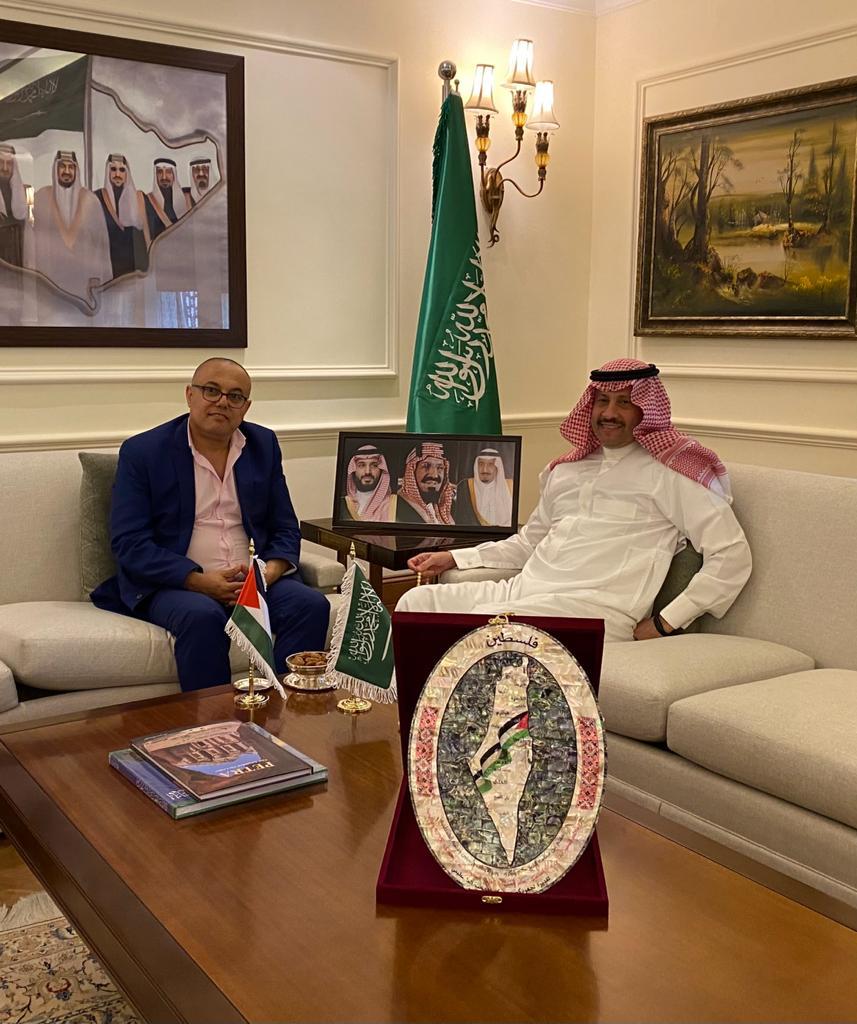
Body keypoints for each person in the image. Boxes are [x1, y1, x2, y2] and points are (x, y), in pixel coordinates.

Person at [400, 358, 751, 642]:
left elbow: (731, 554)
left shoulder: (671, 473)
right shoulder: (566, 471)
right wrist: (454, 557)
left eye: (624, 402)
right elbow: (527, 544)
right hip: (525, 592)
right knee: (417, 603)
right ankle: (419, 710)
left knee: (478, 627)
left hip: (594, 611)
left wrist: (666, 621)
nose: (609, 412)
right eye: (602, 401)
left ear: (645, 410)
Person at [91, 358, 330, 691]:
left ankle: (284, 712)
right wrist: (199, 581)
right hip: (176, 584)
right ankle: (214, 721)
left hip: (254, 581)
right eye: (211, 391)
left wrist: (266, 574)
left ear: (246, 407)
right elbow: (130, 543)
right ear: (190, 395)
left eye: (235, 396)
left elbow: (285, 527)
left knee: (311, 605)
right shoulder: (144, 452)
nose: (222, 402)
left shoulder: (263, 445)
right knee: (202, 616)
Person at [32, 150, 112, 300]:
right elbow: (34, 244)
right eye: (62, 166)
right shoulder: (42, 197)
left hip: (84, 282)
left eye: (71, 167)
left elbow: (100, 244)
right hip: (50, 282)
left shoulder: (91, 200)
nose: (67, 171)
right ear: (55, 169)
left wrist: (98, 278)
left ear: (76, 170)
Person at [94, 153, 150, 279]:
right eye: (113, 169)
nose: (117, 174)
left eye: (122, 170)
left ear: (127, 174)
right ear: (108, 172)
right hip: (106, 269)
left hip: (134, 270)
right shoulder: (97, 198)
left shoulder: (139, 200)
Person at [396, 441, 456, 525]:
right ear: (412, 471)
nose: (434, 475)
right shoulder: (396, 507)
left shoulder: (451, 508)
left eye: (440, 468)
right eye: (425, 466)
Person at [453, 447, 514, 527]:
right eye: (481, 464)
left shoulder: (510, 487)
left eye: (490, 464)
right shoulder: (465, 486)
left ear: (497, 467)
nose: (485, 470)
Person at [340, 444, 397, 522]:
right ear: (353, 469)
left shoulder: (394, 503)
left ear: (382, 469)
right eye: (361, 465)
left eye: (374, 465)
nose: (367, 472)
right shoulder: (344, 504)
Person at [144, 158, 192, 241]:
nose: (164, 177)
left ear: (174, 175)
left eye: (168, 172)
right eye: (160, 172)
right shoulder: (148, 200)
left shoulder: (186, 199)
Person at [0, 144, 27, 268]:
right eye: (1, 162)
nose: (5, 168)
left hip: (15, 257)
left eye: (9, 163)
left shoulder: (18, 192)